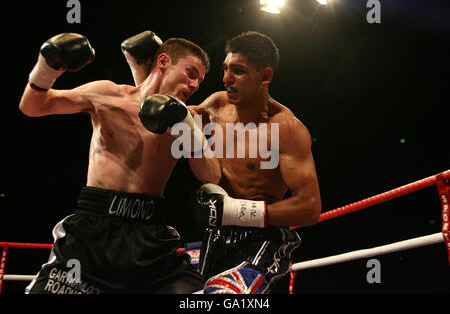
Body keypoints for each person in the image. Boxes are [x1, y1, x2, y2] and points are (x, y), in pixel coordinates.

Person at [19, 31, 220, 294]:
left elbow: (211, 175)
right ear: (163, 62)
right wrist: (47, 68)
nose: (195, 85)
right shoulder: (109, 94)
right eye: (191, 73)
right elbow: (33, 106)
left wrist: (187, 127)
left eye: (199, 81)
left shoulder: (187, 119)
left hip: (151, 242)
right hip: (91, 236)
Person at [188, 31, 322, 294]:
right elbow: (172, 116)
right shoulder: (216, 105)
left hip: (263, 237)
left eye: (238, 71)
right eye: (226, 68)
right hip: (216, 233)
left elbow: (310, 207)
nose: (226, 78)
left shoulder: (286, 128)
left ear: (265, 76)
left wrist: (234, 211)